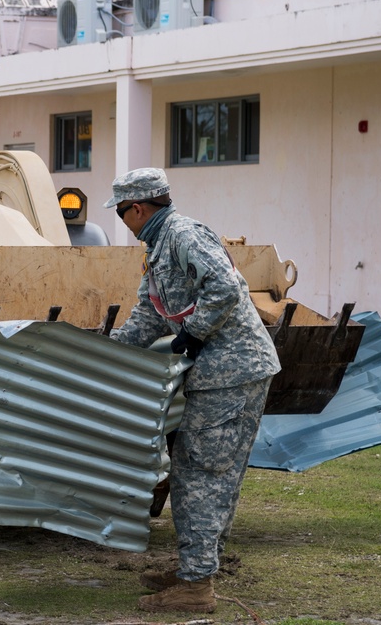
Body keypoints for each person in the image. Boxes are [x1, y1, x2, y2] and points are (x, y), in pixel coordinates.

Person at [104, 167, 281, 614]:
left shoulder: (184, 235)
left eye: (122, 213)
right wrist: (105, 352)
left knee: (201, 474)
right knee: (212, 471)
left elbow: (224, 288)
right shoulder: (159, 247)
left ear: (138, 208)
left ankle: (196, 586)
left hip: (231, 371)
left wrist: (196, 332)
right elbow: (149, 313)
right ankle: (196, 567)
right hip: (224, 372)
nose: (122, 222)